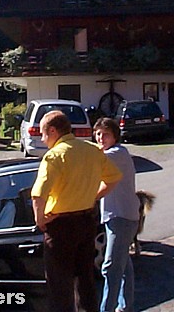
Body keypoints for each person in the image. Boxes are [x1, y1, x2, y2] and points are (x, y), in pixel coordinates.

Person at [31, 110, 123, 312]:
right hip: (86, 221)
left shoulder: (54, 156)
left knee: (59, 285)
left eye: (43, 134)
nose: (42, 139)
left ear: (53, 131)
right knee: (85, 280)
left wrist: (40, 220)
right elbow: (114, 178)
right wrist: (92, 196)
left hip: (60, 227)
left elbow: (38, 195)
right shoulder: (92, 150)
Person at [93, 118, 140, 312]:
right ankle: (125, 306)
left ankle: (108, 309)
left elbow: (92, 159)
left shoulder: (117, 153)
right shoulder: (108, 154)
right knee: (123, 266)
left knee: (111, 266)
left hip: (122, 217)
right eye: (98, 134)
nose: (100, 138)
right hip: (116, 216)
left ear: (115, 136)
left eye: (105, 134)